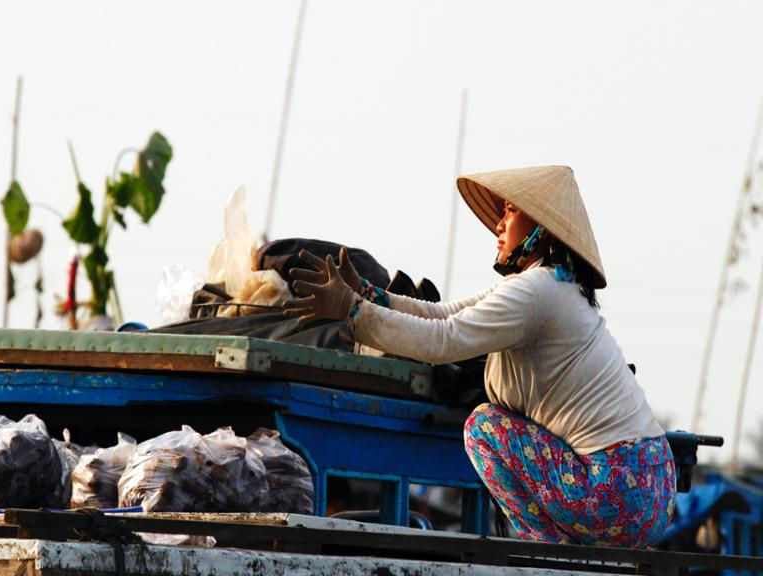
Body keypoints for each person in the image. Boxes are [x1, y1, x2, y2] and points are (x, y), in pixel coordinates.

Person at [283, 165, 675, 547]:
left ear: (541, 229)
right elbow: (443, 313)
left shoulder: (536, 292)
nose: (500, 226)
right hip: (650, 484)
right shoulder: (554, 285)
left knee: (484, 427)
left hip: (616, 492)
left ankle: (550, 549)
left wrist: (353, 310)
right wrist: (372, 297)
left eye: (510, 212)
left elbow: (442, 340)